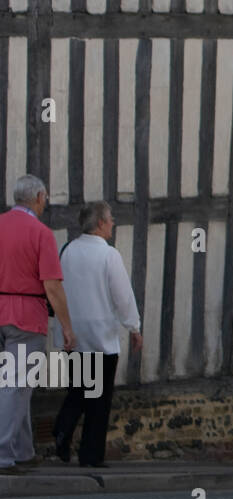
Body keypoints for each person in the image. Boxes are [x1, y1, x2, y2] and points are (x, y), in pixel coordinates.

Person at [52, 201, 142, 468]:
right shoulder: (109, 255)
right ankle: (90, 454)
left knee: (78, 390)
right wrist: (134, 327)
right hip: (101, 335)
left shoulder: (67, 251)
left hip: (74, 334)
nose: (113, 223)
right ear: (101, 223)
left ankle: (62, 431)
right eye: (110, 219)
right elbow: (123, 296)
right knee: (98, 400)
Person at [0, 175, 77, 474]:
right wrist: (67, 327)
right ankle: (5, 454)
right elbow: (52, 286)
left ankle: (23, 451)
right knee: (16, 387)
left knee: (15, 387)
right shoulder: (41, 234)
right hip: (25, 316)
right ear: (40, 197)